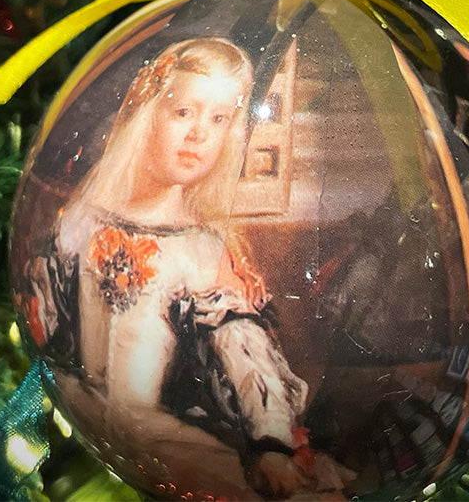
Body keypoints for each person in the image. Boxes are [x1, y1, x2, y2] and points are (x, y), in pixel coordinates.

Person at [50, 37, 317, 497]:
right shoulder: (82, 221)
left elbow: (243, 349)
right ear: (147, 113)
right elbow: (48, 319)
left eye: (218, 120)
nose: (199, 135)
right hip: (76, 415)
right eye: (183, 112)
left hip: (155, 439)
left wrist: (271, 442)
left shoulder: (201, 247)